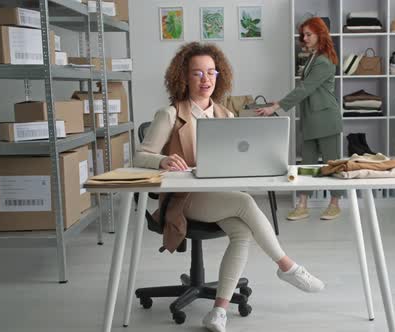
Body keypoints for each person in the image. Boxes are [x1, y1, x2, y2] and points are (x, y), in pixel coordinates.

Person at [134, 42, 324, 332]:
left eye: (211, 72)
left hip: (217, 198)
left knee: (242, 229)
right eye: (197, 73)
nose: (205, 79)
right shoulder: (170, 114)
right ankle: (287, 267)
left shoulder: (226, 115)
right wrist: (162, 160)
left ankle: (218, 312)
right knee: (245, 204)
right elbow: (140, 156)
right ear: (183, 78)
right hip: (184, 198)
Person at [256, 17, 344, 222]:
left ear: (320, 34)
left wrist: (277, 107)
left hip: (326, 117)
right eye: (303, 34)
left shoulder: (324, 60)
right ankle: (303, 204)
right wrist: (278, 102)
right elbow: (306, 89)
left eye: (308, 34)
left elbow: (305, 88)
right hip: (311, 117)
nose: (304, 38)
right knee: (307, 162)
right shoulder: (314, 56)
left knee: (333, 163)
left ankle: (335, 204)